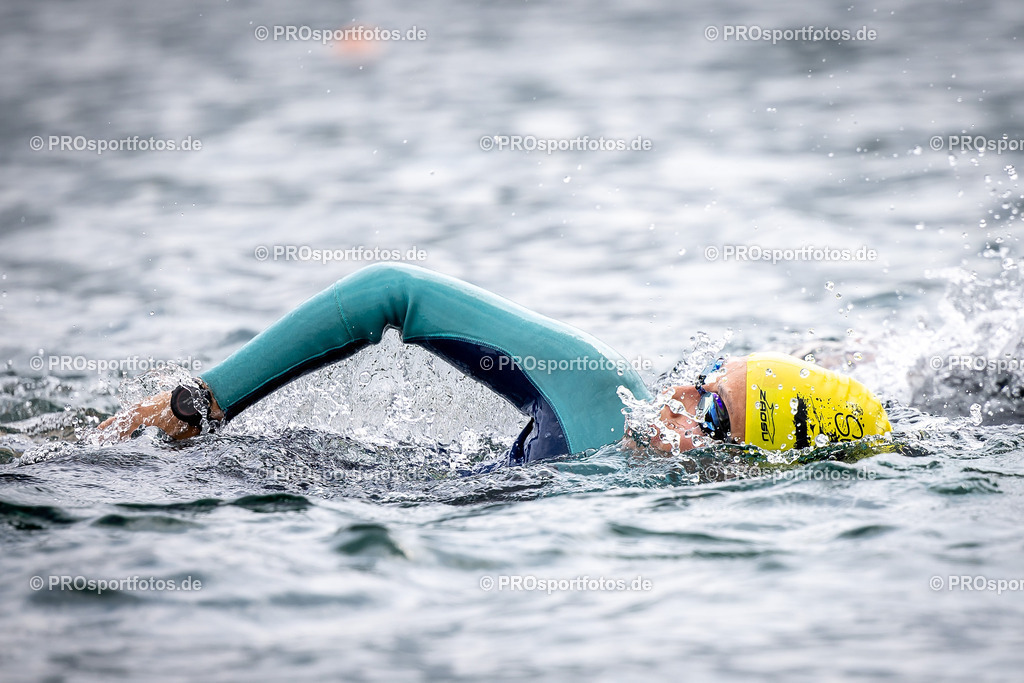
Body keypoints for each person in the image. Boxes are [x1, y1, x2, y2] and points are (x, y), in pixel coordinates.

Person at [97, 263, 892, 461]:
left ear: (743, 461)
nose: (678, 396)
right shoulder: (601, 393)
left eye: (709, 410)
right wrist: (206, 400)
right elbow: (392, 289)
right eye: (703, 371)